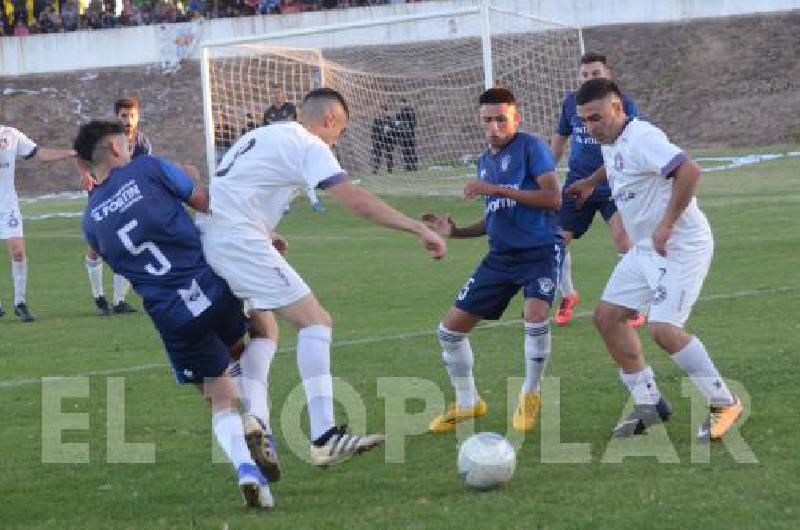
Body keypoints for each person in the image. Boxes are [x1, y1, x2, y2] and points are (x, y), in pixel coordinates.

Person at [201, 87, 446, 467]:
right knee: (316, 322)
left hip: (215, 239)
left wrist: (266, 232)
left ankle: (258, 422)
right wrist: (418, 228)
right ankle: (325, 436)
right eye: (339, 133)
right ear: (331, 120)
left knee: (265, 329)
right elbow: (356, 201)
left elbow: (233, 190)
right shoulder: (308, 143)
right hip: (240, 242)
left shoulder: (257, 135)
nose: (335, 143)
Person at [75, 120, 275, 508]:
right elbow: (206, 203)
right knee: (263, 328)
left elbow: (119, 265)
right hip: (212, 287)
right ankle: (259, 417)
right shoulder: (148, 168)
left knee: (217, 398)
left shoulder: (91, 220)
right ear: (115, 149)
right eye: (125, 142)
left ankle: (246, 470)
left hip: (171, 313)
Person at [566, 79, 743, 440]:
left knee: (663, 329)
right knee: (607, 318)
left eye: (596, 118)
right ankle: (649, 404)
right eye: (584, 121)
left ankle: (724, 402)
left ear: (618, 108)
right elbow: (616, 165)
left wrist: (666, 225)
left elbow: (689, 171)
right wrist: (590, 182)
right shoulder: (611, 139)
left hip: (680, 245)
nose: (590, 127)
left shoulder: (643, 136)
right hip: (646, 249)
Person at [422, 87, 561, 434]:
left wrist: (497, 190)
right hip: (500, 258)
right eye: (488, 120)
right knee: (450, 332)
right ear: (480, 122)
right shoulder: (486, 161)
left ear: (516, 118)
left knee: (535, 314)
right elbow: (495, 217)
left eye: (502, 119)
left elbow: (552, 198)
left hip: (539, 252)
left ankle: (530, 393)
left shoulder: (531, 148)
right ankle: (469, 402)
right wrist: (456, 232)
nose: (495, 126)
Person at [551, 52, 644, 327]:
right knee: (556, 242)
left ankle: (632, 303)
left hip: (614, 183)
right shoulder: (571, 103)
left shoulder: (622, 104)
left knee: (623, 240)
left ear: (608, 75)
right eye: (586, 74)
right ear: (579, 78)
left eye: (596, 73)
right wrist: (544, 169)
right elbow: (560, 137)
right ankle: (567, 295)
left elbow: (632, 140)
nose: (591, 78)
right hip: (577, 184)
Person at [0, 120, 76, 321]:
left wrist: (69, 152)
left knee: (18, 253)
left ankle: (20, 302)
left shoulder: (10, 134)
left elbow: (39, 153)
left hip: (7, 205)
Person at [83, 97, 153, 316]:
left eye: (132, 115)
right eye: (124, 116)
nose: (129, 120)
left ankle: (119, 300)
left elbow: (145, 170)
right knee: (97, 246)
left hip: (128, 196)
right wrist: (86, 175)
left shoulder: (143, 143)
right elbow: (83, 157)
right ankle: (99, 296)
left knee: (127, 244)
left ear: (138, 116)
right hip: (102, 193)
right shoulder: (104, 139)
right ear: (117, 117)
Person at [371, 103, 395, 173]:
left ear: (386, 111)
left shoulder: (389, 119)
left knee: (388, 154)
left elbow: (393, 129)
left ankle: (390, 169)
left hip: (388, 139)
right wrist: (373, 141)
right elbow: (373, 131)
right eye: (381, 110)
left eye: (384, 110)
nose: (382, 111)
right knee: (377, 155)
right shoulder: (376, 120)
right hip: (379, 140)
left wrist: (389, 130)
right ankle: (376, 169)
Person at [394, 97, 417, 171]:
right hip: (402, 135)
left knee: (411, 150)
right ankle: (407, 166)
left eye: (402, 103)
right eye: (400, 104)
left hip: (410, 135)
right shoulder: (398, 115)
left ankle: (413, 166)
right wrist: (399, 127)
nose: (401, 105)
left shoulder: (410, 112)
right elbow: (397, 125)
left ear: (405, 104)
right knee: (405, 151)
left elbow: (414, 123)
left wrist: (408, 125)